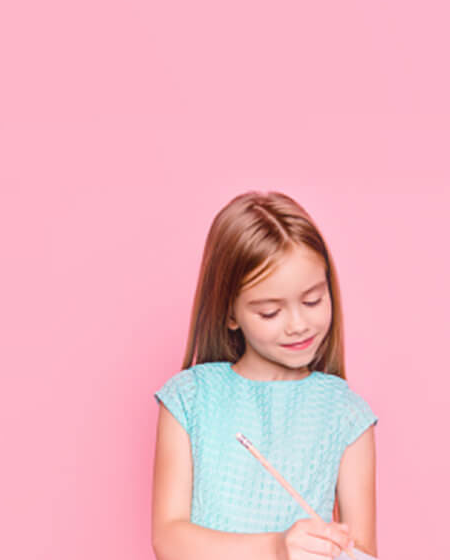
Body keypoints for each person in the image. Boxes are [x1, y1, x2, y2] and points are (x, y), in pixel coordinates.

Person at [151, 191, 378, 560]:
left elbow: (363, 551)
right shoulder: (189, 399)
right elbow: (168, 539)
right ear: (230, 314)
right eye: (270, 312)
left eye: (313, 301)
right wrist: (276, 547)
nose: (298, 325)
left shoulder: (346, 414)